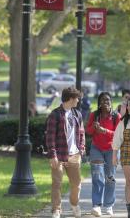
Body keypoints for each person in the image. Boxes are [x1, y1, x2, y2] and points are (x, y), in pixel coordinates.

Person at [45, 87, 85, 218]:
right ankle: (56, 210)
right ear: (70, 99)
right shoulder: (55, 114)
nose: (78, 100)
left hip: (74, 155)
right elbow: (50, 136)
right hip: (59, 155)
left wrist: (81, 149)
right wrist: (52, 155)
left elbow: (81, 133)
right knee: (57, 183)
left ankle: (74, 204)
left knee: (76, 184)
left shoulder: (77, 114)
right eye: (77, 98)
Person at [85, 92, 121, 217]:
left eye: (108, 100)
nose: (105, 102)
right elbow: (88, 131)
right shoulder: (94, 115)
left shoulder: (116, 116)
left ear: (111, 102)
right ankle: (96, 205)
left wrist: (104, 131)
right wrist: (94, 128)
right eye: (103, 100)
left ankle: (109, 205)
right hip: (97, 149)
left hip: (112, 149)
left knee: (110, 178)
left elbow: (119, 134)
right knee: (97, 177)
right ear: (99, 103)